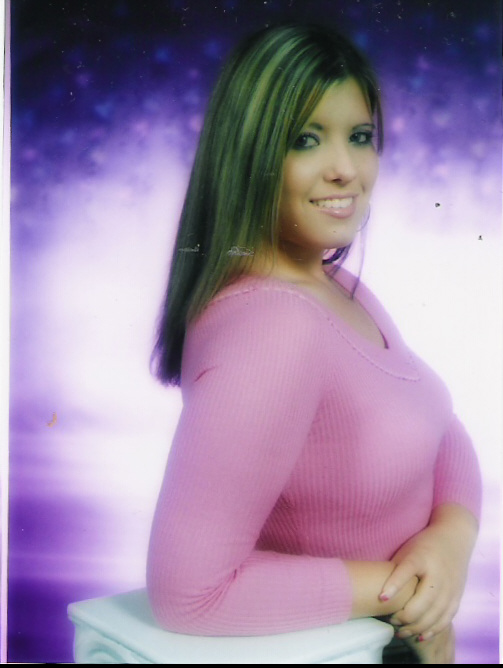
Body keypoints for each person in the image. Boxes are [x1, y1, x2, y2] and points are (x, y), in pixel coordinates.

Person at [146, 23, 481, 664]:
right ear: (248, 152)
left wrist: (449, 542)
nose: (346, 170)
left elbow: (440, 430)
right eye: (305, 139)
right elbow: (190, 594)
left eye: (360, 136)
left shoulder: (335, 286)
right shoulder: (273, 328)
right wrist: (406, 591)